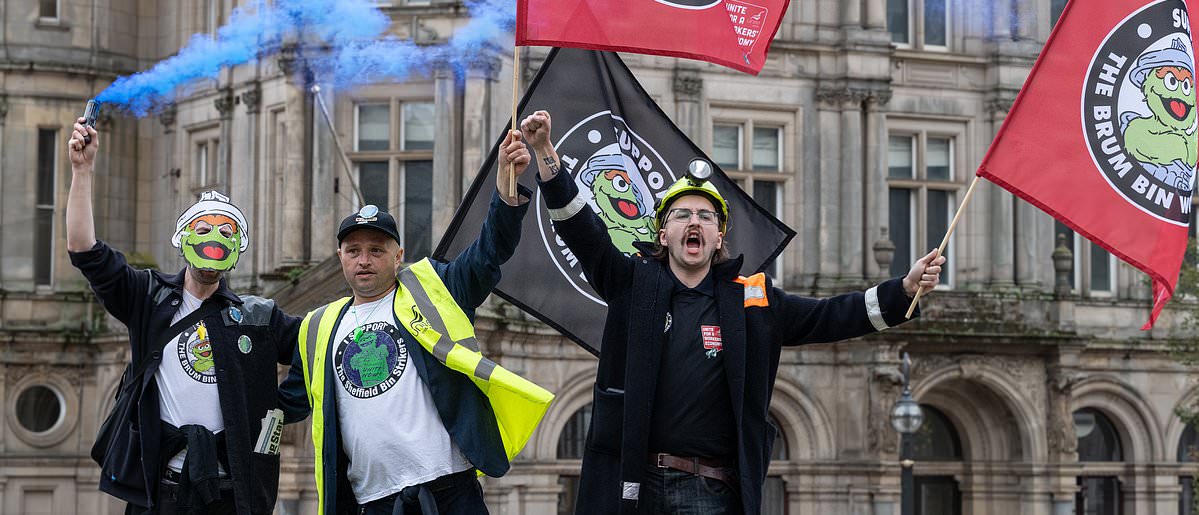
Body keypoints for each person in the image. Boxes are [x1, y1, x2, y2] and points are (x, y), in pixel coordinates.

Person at [519, 110, 944, 515]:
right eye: (682, 214)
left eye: (706, 216)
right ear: (663, 233)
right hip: (634, 483)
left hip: (712, 491)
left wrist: (903, 290)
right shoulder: (632, 284)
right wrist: (546, 154)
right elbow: (581, 231)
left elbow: (832, 316)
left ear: (718, 236)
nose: (694, 222)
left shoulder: (752, 301)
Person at [279, 129, 554, 515]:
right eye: (354, 250)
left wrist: (506, 191)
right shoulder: (318, 327)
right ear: (339, 255)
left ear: (398, 255)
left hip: (449, 492)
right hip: (371, 501)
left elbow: (489, 253)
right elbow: (281, 404)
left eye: (377, 250)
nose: (364, 260)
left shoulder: (435, 288)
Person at [65, 118, 301, 515]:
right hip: (160, 491)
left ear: (238, 244)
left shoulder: (258, 316)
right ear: (183, 238)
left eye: (226, 231)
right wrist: (82, 170)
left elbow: (320, 348)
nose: (214, 238)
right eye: (204, 228)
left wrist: (275, 408)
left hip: (228, 494)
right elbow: (85, 251)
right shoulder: (148, 297)